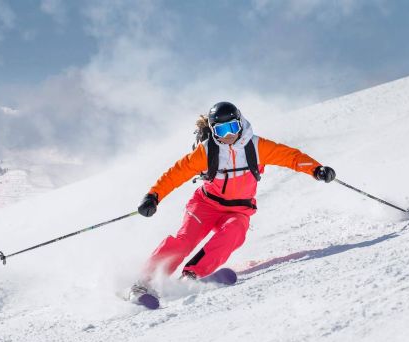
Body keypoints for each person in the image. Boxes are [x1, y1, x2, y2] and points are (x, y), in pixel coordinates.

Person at [130, 101, 335, 303]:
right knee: (184, 240)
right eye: (221, 130)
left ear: (240, 122)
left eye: (232, 127)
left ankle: (192, 275)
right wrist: (153, 196)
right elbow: (175, 174)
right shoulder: (206, 151)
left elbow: (290, 157)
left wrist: (316, 169)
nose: (228, 135)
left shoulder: (256, 146)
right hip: (205, 206)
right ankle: (143, 283)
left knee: (234, 233)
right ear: (213, 131)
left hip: (238, 210)